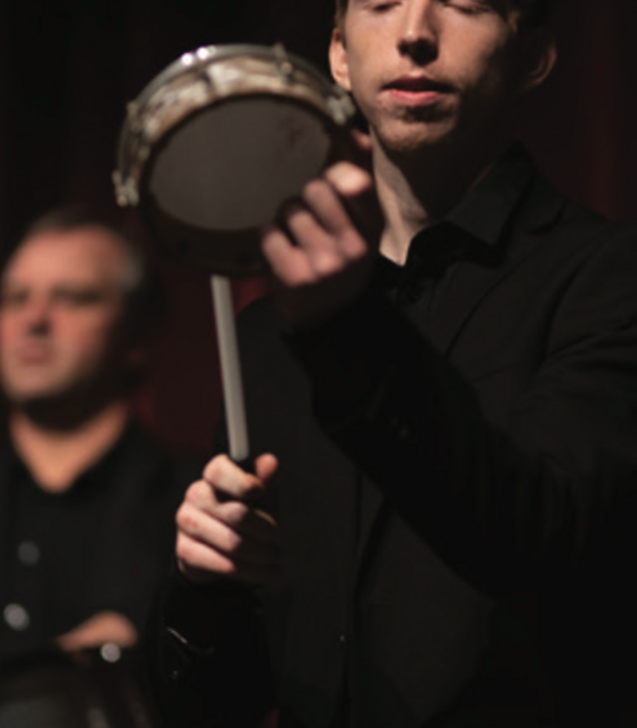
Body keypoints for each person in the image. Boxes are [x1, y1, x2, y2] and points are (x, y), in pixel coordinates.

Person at [153, 1, 637, 726]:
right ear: (341, 56)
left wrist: (345, 325)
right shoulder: (267, 336)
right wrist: (203, 581)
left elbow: (535, 534)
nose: (414, 32)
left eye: (463, 3)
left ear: (533, 54)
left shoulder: (607, 279)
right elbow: (208, 705)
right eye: (381, 2)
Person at [0, 208, 198, 727]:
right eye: (15, 298)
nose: (35, 319)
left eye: (73, 297)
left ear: (139, 338)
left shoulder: (200, 501)